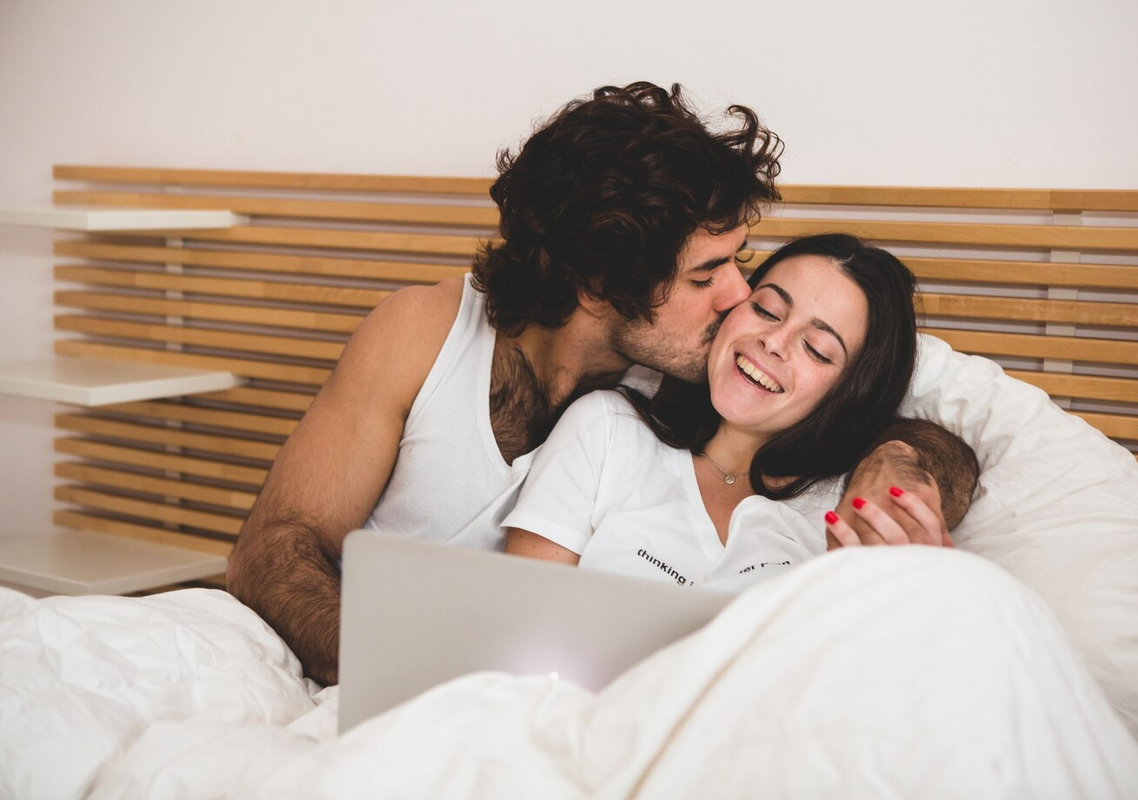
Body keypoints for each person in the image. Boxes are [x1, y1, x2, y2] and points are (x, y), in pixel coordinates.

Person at [225, 83, 978, 686]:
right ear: (600, 284)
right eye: (706, 275)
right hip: (382, 682)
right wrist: (404, 675)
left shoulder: (685, 375)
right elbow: (273, 550)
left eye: (738, 262)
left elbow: (862, 411)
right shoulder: (423, 334)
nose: (738, 298)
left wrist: (899, 469)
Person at [503, 234, 960, 589]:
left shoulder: (850, 509)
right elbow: (523, 608)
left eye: (817, 349)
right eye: (766, 309)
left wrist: (897, 460)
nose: (773, 342)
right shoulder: (607, 427)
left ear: (852, 392)